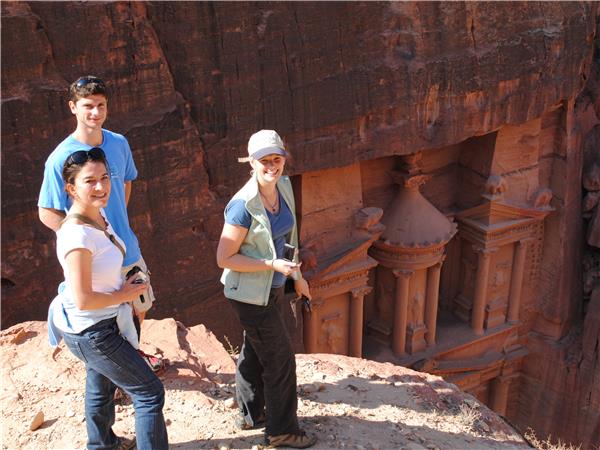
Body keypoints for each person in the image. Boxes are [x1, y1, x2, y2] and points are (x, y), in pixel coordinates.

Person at [38, 75, 162, 372]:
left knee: (137, 307)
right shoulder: (59, 159)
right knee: (102, 319)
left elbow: (126, 183)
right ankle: (116, 377)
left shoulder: (119, 143)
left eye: (101, 105)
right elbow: (47, 211)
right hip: (95, 258)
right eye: (88, 106)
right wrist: (84, 242)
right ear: (73, 108)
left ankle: (131, 363)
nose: (95, 112)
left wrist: (110, 229)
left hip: (126, 246)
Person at [47, 148, 168, 450]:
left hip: (100, 323)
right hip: (92, 330)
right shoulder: (76, 236)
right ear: (71, 188)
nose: (101, 187)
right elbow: (84, 299)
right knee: (149, 392)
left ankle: (102, 445)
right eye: (90, 181)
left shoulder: (97, 216)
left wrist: (122, 285)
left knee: (100, 384)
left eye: (104, 177)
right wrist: (123, 294)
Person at [216, 130, 317, 448]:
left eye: (276, 158)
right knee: (281, 359)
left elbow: (290, 240)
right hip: (248, 295)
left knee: (255, 350)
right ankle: (281, 431)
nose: (271, 166)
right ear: (252, 163)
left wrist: (297, 277)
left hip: (272, 288)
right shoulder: (242, 206)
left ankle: (250, 414)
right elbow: (224, 258)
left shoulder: (283, 187)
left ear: (284, 157)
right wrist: (271, 266)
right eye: (264, 160)